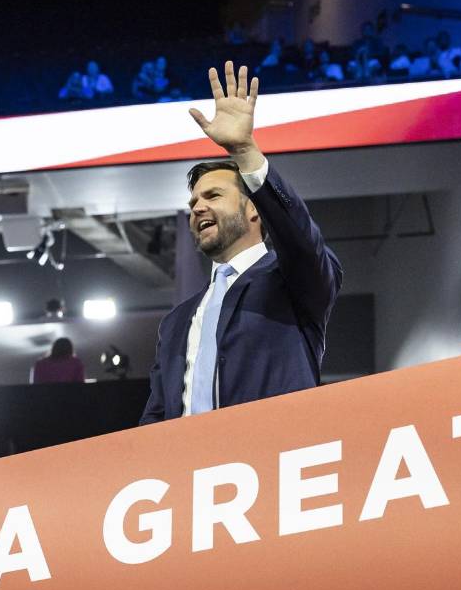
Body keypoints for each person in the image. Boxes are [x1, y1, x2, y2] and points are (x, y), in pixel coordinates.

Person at [140, 61, 342, 425]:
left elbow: (300, 239)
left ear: (255, 211)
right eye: (192, 203)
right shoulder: (176, 322)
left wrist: (246, 150)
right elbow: (155, 417)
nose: (197, 207)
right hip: (190, 474)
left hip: (273, 465)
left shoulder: (294, 282)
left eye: (213, 195)